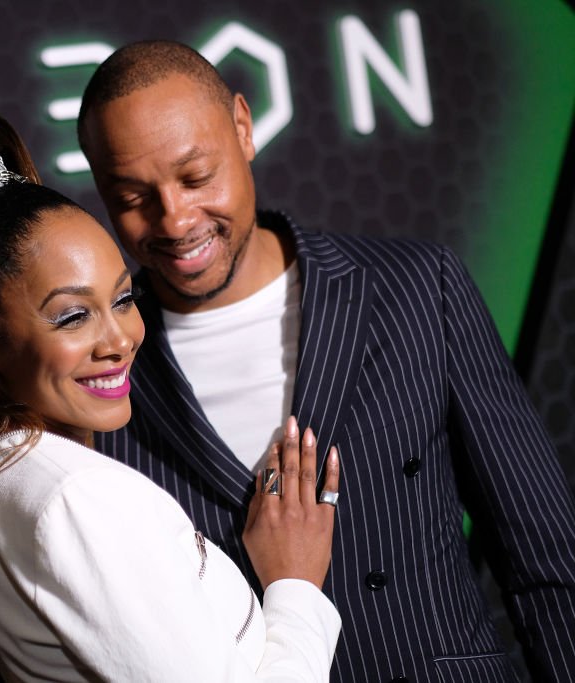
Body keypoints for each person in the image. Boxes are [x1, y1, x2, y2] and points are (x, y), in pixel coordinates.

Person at [76, 40, 575, 683]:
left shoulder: (418, 289)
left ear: (243, 127)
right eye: (131, 196)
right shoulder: (100, 377)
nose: (174, 219)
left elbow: (547, 560)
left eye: (196, 177)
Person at [0, 112, 343, 682]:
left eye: (123, 300)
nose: (120, 340)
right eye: (73, 316)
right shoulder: (76, 498)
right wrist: (294, 586)